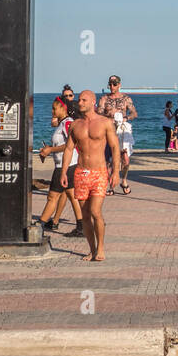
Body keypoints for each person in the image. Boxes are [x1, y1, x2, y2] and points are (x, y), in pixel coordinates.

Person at [60, 89, 121, 261]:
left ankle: (101, 248)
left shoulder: (105, 123)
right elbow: (69, 149)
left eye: (84, 100)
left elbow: (115, 147)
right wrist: (64, 172)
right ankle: (92, 250)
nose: (80, 103)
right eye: (79, 100)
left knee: (95, 211)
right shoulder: (75, 125)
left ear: (93, 102)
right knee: (85, 214)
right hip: (81, 172)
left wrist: (115, 172)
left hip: (99, 172)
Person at [38, 96, 83, 235]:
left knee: (53, 196)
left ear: (63, 108)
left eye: (54, 108)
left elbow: (70, 145)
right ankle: (81, 226)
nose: (52, 111)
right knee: (71, 196)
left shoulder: (68, 123)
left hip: (66, 165)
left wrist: (50, 150)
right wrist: (49, 149)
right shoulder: (62, 123)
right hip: (65, 164)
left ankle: (39, 226)